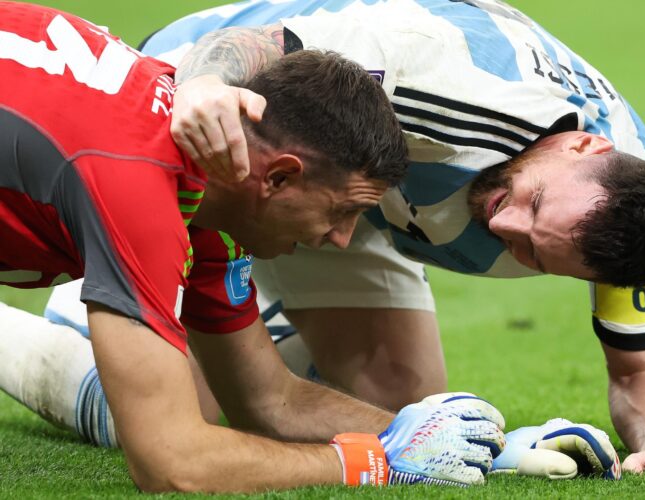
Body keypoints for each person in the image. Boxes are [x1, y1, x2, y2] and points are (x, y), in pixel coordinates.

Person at [128, 0, 645, 479]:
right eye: (533, 204)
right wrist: (201, 90)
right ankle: (73, 336)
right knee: (184, 412)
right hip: (221, 101)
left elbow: (639, 373)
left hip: (364, 193)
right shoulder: (444, 72)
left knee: (406, 416)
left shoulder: (625, 223)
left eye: (531, 253)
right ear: (585, 145)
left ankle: (250, 341)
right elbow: (266, 51)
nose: (504, 229)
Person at [0, 1, 509, 492]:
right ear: (280, 177)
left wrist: (444, 439)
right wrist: (374, 462)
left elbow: (271, 401)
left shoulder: (208, 192)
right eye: (342, 211)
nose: (341, 239)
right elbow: (171, 462)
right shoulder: (142, 186)